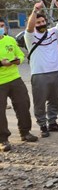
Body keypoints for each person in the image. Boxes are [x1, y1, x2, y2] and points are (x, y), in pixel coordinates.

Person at [24, 1, 58, 137]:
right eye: (38, 22)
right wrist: (35, 11)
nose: (41, 23)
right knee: (40, 102)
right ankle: (43, 125)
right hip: (40, 74)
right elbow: (30, 28)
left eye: (43, 21)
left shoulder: (52, 33)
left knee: (54, 100)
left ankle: (53, 122)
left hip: (56, 72)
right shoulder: (30, 37)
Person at [0, 19, 38, 152]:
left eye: (2, 26)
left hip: (15, 78)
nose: (1, 28)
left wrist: (18, 60)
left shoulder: (10, 40)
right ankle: (3, 139)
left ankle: (25, 132)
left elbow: (21, 54)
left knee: (23, 104)